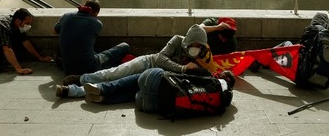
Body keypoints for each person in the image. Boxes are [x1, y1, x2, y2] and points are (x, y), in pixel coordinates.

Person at [57, 24, 214, 98]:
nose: (195, 48)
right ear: (188, 41)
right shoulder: (177, 40)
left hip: (152, 77)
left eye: (199, 46)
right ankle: (81, 78)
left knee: (115, 86)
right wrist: (183, 69)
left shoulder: (201, 54)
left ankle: (76, 90)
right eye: (193, 44)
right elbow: (160, 57)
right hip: (147, 63)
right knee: (113, 74)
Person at [80, 67, 236, 116]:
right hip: (147, 105)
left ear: (222, 77)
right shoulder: (220, 103)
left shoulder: (209, 77)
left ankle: (103, 88)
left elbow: (182, 73)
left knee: (149, 75)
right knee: (141, 89)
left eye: (223, 72)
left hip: (150, 81)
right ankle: (105, 99)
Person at [54, 0, 130, 76]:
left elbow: (55, 30)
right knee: (125, 46)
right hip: (89, 68)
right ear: (95, 13)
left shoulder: (67, 16)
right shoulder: (97, 23)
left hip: (68, 69)